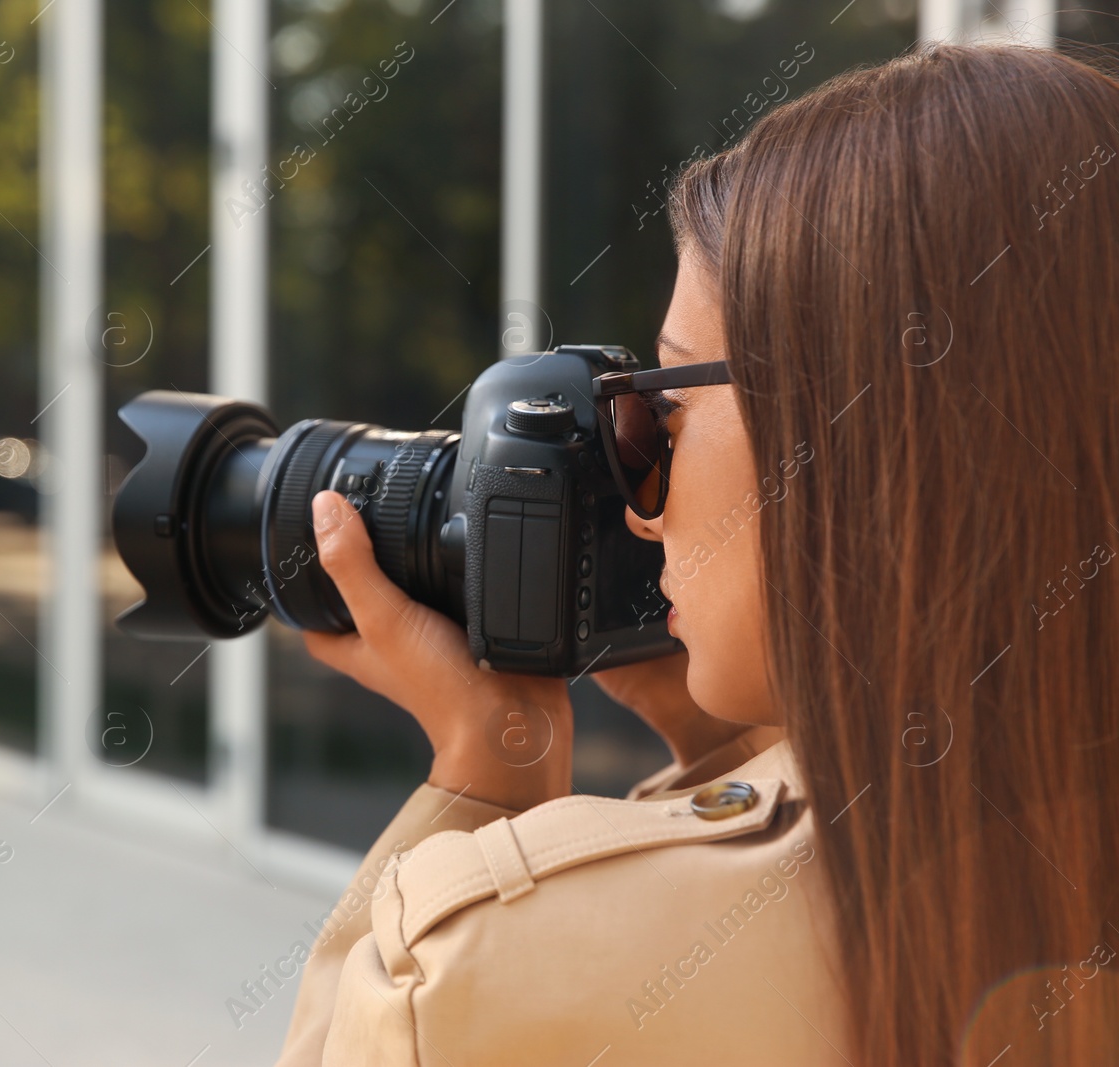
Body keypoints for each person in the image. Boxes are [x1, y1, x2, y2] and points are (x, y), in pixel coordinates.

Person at [274, 42, 1119, 1066]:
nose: (639, 509)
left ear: (851, 445)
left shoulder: (496, 970)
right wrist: (717, 741)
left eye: (659, 412)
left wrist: (487, 766)